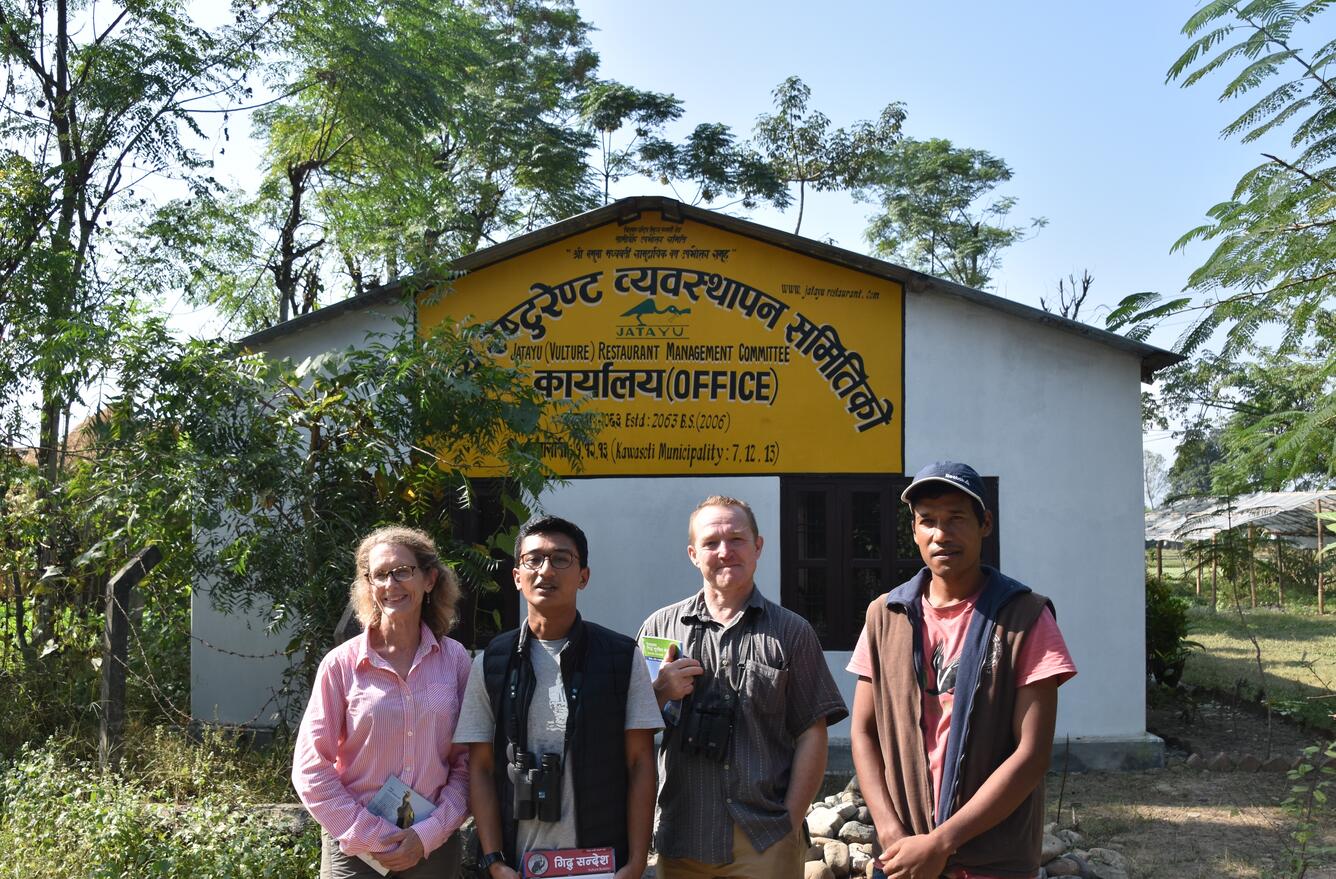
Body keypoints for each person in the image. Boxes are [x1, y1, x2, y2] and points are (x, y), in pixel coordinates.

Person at [848, 461, 1077, 879]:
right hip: (904, 857)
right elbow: (864, 731)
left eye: (956, 518)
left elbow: (1032, 754)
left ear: (984, 524)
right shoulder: (885, 615)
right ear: (914, 530)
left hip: (993, 862)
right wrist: (891, 833)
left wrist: (942, 842)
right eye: (928, 521)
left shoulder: (1025, 617)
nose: (941, 534)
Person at [641, 495, 848, 879]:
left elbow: (811, 732)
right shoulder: (660, 629)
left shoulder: (791, 632)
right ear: (692, 554)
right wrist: (659, 692)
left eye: (736, 539)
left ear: (758, 546)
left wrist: (789, 820)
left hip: (763, 838)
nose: (725, 552)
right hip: (681, 835)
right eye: (711, 543)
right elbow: (635, 731)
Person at [456, 515, 661, 879]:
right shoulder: (491, 663)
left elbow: (641, 764)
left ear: (583, 576)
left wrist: (635, 862)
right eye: (533, 559)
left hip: (602, 864)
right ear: (517, 576)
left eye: (561, 559)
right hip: (519, 866)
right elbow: (482, 768)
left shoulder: (621, 657)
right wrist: (494, 861)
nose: (545, 570)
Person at [293, 525, 472, 879]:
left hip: (431, 850)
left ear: (430, 579)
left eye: (403, 572)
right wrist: (373, 835)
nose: (391, 585)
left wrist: (428, 834)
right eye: (379, 575)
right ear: (369, 586)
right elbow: (311, 769)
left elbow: (468, 763)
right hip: (358, 849)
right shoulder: (341, 664)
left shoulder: (456, 661)